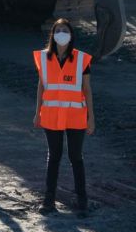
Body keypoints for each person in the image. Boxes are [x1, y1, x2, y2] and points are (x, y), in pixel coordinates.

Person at [34, 16, 94, 215]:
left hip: (75, 116)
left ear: (71, 35)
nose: (62, 34)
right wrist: (37, 113)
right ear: (52, 35)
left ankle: (82, 201)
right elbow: (41, 86)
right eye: (58, 31)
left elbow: (87, 89)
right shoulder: (44, 58)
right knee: (54, 157)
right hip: (51, 115)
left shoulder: (82, 60)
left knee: (76, 157)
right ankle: (48, 201)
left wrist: (91, 118)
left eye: (65, 31)